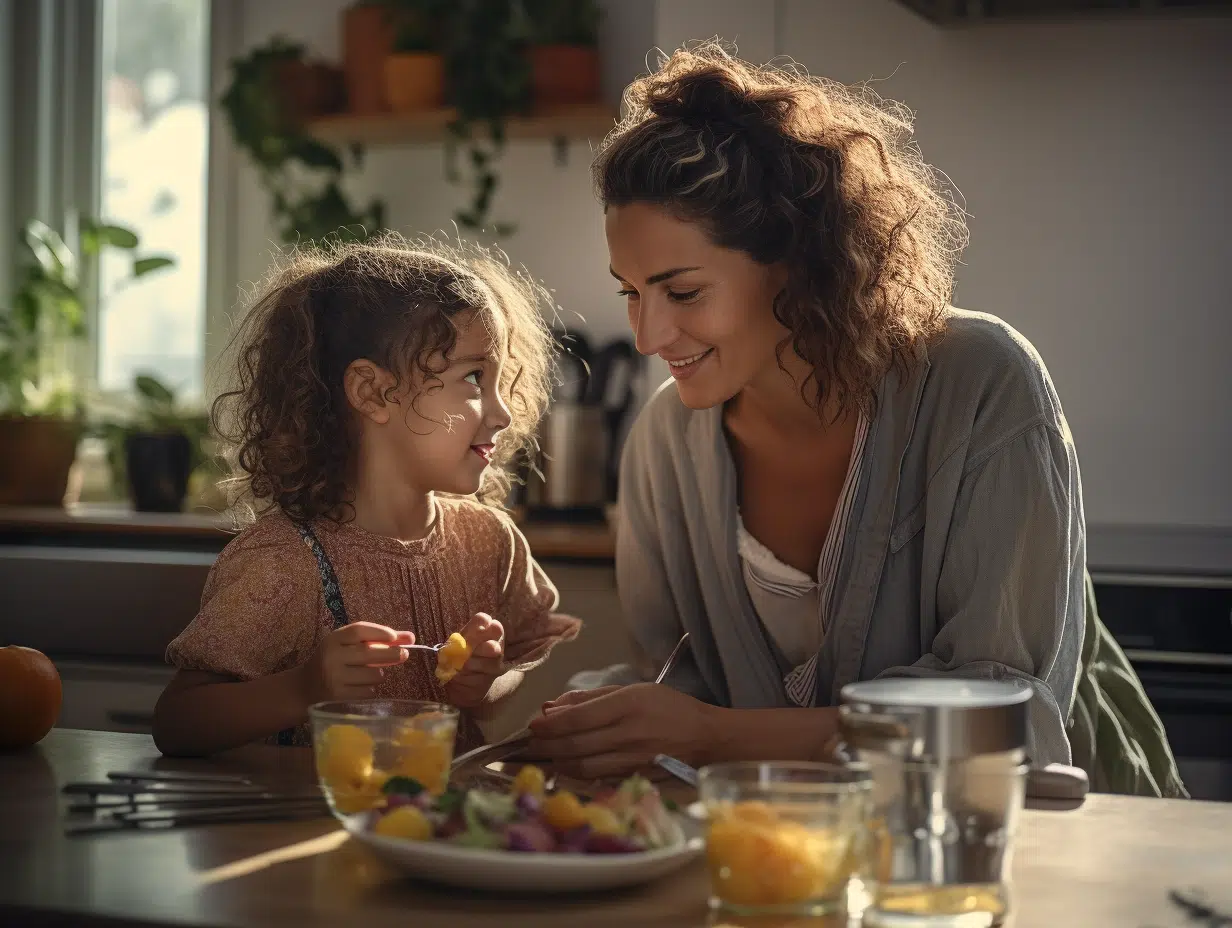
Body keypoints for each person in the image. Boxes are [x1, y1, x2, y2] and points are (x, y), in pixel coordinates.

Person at [528, 43, 1186, 798]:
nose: (647, 337)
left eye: (681, 293)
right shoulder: (662, 443)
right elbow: (677, 683)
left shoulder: (981, 383)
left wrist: (714, 736)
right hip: (788, 867)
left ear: (797, 264)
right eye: (629, 294)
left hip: (1018, 857)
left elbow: (1003, 721)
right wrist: (599, 716)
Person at [153, 235, 580, 757]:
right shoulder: (286, 565)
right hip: (307, 831)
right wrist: (303, 688)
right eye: (473, 378)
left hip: (439, 830)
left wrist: (486, 683)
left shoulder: (489, 542)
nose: (503, 412)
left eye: (497, 380)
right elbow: (177, 721)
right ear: (373, 393)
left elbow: (511, 669)